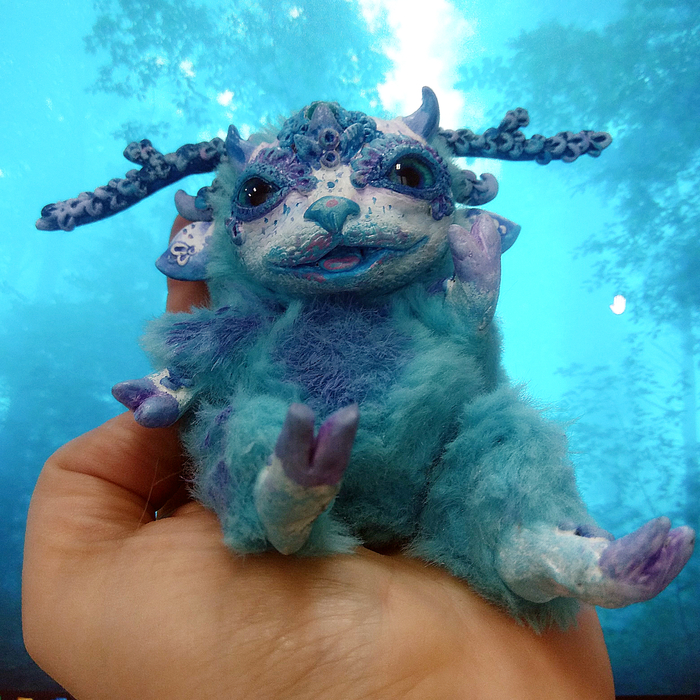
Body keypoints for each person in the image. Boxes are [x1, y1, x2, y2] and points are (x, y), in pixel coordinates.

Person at [22, 218, 616, 700]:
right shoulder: (255, 317)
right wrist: (171, 385)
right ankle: (282, 502)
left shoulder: (420, 305)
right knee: (242, 425)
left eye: (402, 176)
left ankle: (535, 548)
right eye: (264, 194)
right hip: (296, 441)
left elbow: (471, 357)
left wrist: (477, 295)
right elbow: (208, 348)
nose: (335, 211)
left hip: (435, 479)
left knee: (510, 430)